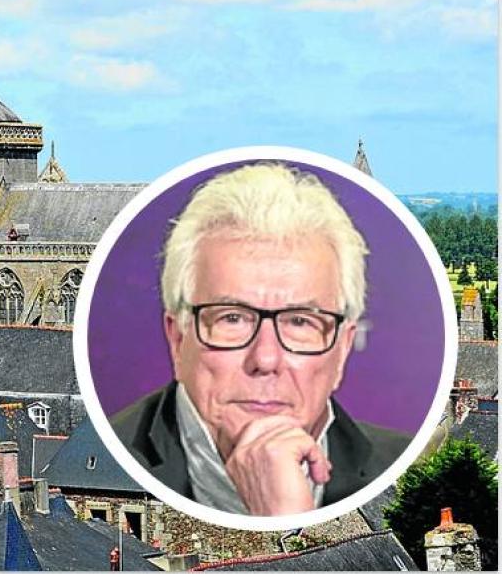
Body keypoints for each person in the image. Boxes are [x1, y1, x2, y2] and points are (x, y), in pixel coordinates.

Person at [110, 162, 411, 516]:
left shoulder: (403, 465)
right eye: (232, 318)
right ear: (177, 339)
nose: (266, 358)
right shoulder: (113, 451)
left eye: (300, 321)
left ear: (343, 347)